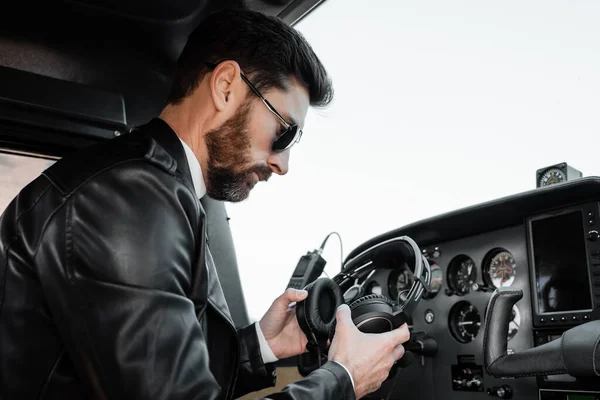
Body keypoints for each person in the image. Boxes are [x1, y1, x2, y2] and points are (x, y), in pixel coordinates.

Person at [0, 7, 410, 400]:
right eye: (284, 133)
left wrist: (259, 347)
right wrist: (343, 380)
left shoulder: (159, 190)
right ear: (226, 87)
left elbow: (165, 372)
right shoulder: (131, 198)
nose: (282, 164)